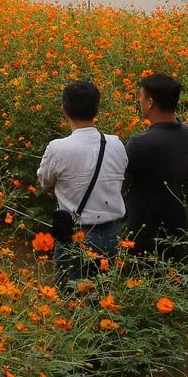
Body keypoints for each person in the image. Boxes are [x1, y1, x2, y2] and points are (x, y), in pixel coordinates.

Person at [37, 81, 128, 284]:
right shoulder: (116, 143)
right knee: (105, 295)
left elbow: (44, 182)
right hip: (114, 233)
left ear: (64, 109)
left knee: (71, 297)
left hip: (77, 234)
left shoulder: (57, 148)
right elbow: (120, 181)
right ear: (97, 110)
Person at [123, 73, 188, 255]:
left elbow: (119, 183)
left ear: (149, 103)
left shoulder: (140, 142)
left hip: (144, 234)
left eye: (141, 97)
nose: (139, 101)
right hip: (177, 228)